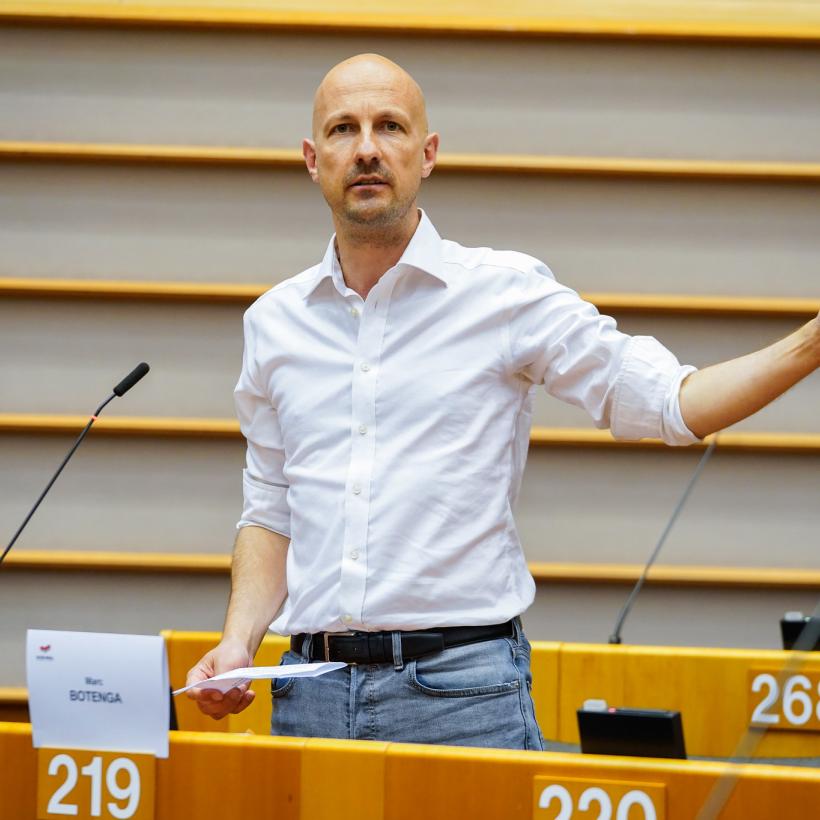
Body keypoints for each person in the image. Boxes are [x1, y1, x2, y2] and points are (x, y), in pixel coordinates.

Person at [185, 54, 820, 748]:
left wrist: (809, 345)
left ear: (428, 153)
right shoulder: (274, 322)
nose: (367, 148)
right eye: (343, 129)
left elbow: (674, 403)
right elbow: (271, 508)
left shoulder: (504, 294)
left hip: (463, 696)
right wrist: (239, 640)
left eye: (390, 126)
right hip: (308, 694)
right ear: (313, 159)